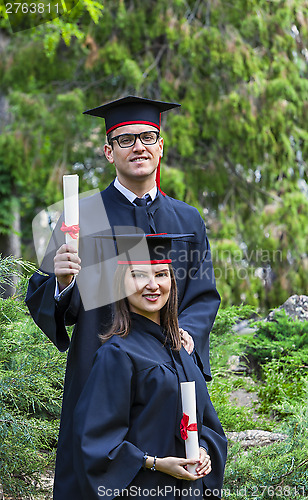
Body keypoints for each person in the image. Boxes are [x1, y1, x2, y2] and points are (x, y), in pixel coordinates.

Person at [25, 96, 221, 499]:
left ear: (161, 146)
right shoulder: (82, 216)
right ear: (108, 151)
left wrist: (187, 333)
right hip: (100, 370)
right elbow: (50, 301)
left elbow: (202, 296)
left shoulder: (187, 219)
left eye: (148, 137)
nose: (139, 146)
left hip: (165, 379)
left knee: (174, 475)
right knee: (94, 474)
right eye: (126, 139)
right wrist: (63, 282)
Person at [73, 233, 227, 499]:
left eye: (161, 274)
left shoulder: (180, 351)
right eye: (139, 275)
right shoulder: (117, 354)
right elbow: (95, 444)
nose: (153, 285)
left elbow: (208, 425)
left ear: (172, 281)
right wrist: (155, 463)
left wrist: (203, 451)